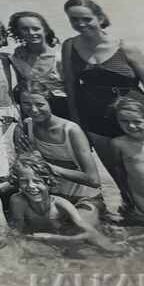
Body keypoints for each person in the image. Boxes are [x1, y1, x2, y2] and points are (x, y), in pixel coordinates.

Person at [60, 0, 144, 205]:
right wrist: (78, 125)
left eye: (86, 19)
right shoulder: (70, 46)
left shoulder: (126, 48)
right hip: (95, 117)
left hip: (134, 114)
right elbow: (71, 88)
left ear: (100, 18)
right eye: (74, 19)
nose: (80, 24)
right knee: (117, 172)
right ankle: (130, 208)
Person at [13, 81, 103, 216]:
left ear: (50, 102)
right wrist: (29, 159)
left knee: (79, 227)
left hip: (84, 197)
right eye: (26, 104)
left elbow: (93, 180)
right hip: (49, 197)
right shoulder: (25, 128)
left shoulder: (71, 130)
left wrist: (46, 166)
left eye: (40, 104)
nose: (34, 110)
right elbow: (24, 173)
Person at [8, 152, 118, 251]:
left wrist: (55, 238)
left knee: (89, 249)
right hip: (45, 237)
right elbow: (17, 230)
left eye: (37, 181)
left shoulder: (60, 205)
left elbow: (92, 233)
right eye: (24, 181)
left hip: (62, 235)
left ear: (49, 182)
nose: (31, 186)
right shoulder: (18, 201)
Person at [8, 10, 68, 117]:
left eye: (36, 28)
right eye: (25, 29)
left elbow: (73, 87)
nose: (31, 33)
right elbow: (23, 87)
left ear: (45, 30)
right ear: (18, 32)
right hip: (34, 110)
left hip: (63, 108)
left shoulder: (62, 54)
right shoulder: (19, 57)